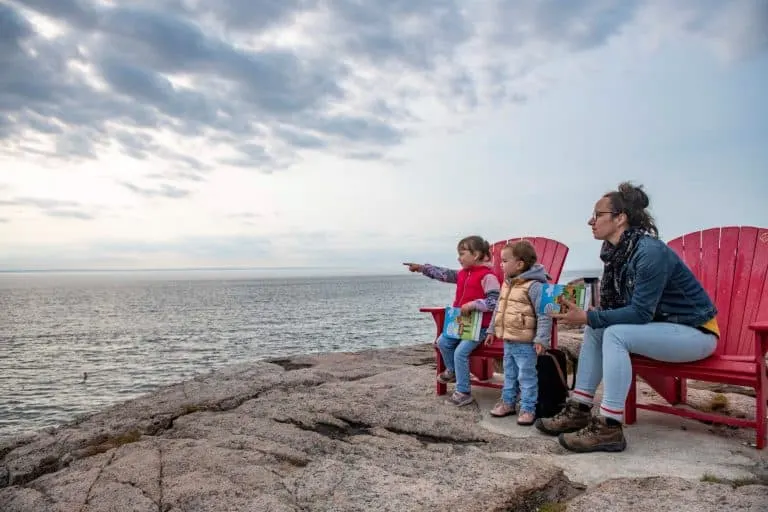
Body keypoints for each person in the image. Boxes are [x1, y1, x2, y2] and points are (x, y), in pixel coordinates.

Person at [535, 182, 719, 453]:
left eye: (598, 215)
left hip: (694, 333)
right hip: (663, 329)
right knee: (598, 328)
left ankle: (610, 425)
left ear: (620, 218)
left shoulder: (649, 253)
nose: (591, 221)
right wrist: (589, 315)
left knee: (613, 332)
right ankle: (579, 409)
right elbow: (622, 309)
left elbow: (640, 313)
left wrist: (586, 316)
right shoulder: (617, 254)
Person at [405, 235, 500, 406]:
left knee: (460, 352)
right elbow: (443, 274)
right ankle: (455, 371)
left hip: (480, 327)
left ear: (477, 254)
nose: (459, 258)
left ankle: (463, 392)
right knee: (442, 342)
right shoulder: (462, 274)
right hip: (460, 324)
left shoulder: (488, 277)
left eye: (463, 253)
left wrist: (474, 304)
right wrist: (421, 268)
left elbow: (495, 302)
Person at [485, 240, 552, 426]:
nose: (501, 264)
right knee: (510, 374)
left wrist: (541, 339)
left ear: (520, 264)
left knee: (527, 376)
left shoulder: (534, 286)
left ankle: (528, 407)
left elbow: (544, 314)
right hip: (508, 339)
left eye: (505, 261)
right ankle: (508, 402)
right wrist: (492, 329)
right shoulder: (507, 284)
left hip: (526, 342)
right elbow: (498, 308)